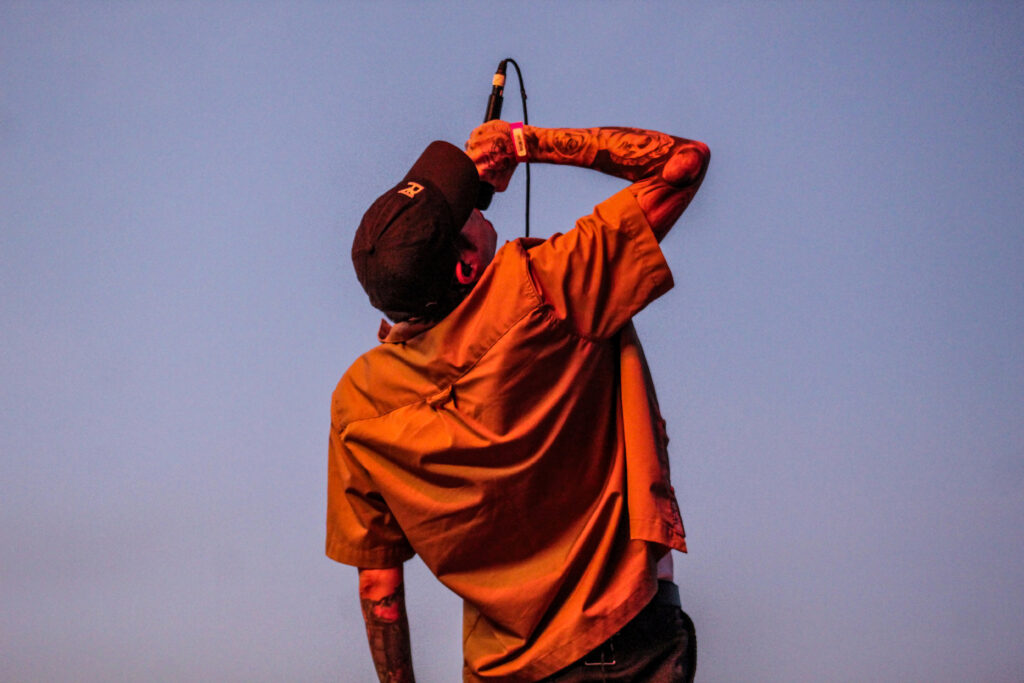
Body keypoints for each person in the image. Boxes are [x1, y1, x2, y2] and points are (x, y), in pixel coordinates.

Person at [327, 118, 710, 682]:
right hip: (624, 646)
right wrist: (526, 144)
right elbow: (682, 163)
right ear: (465, 266)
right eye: (470, 211)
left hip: (499, 672)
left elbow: (378, 585)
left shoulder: (358, 402)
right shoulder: (548, 284)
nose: (482, 209)